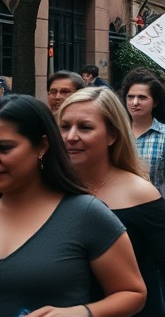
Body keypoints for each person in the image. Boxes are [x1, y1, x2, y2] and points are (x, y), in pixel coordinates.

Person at [0, 95, 147, 316]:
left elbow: (132, 293)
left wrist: (80, 312)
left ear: (42, 146)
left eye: (5, 148)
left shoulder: (86, 214)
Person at [60, 87, 165, 317]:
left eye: (85, 127)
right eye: (64, 126)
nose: (71, 136)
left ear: (112, 135)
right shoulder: (43, 190)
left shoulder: (140, 194)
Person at [121, 68, 165, 198]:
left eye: (142, 97)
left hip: (155, 210)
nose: (135, 103)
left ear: (155, 102)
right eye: (130, 97)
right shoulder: (115, 132)